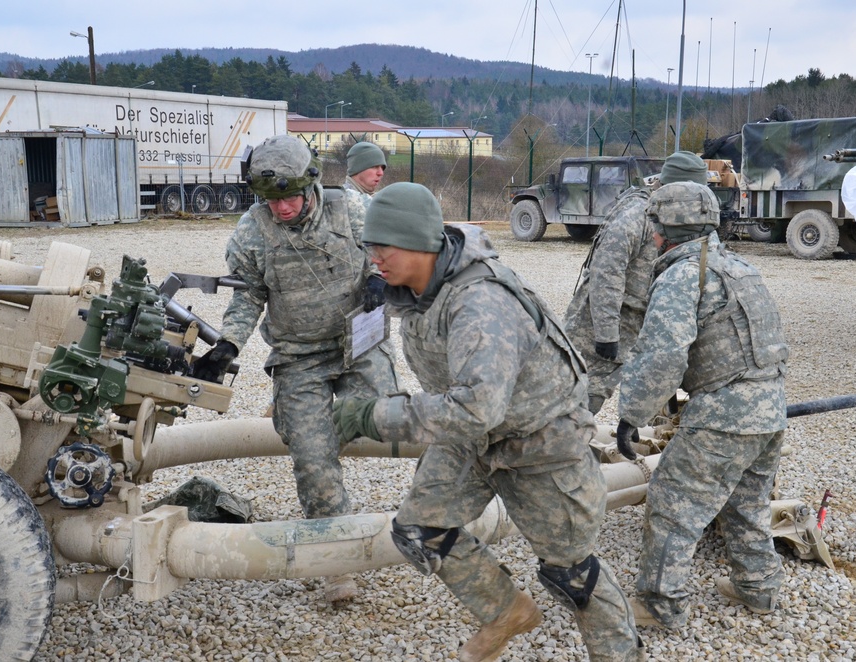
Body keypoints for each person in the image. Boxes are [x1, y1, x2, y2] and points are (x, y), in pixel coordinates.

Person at [332, 182, 645, 662]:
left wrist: (374, 417)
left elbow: (476, 407)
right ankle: (506, 612)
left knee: (572, 574)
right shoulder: (417, 287)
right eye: (369, 246)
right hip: (474, 439)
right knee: (421, 529)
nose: (374, 257)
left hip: (541, 442)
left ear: (420, 242)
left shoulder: (480, 303)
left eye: (383, 246)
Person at [191, 134, 398, 605]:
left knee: (389, 418)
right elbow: (247, 296)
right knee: (312, 459)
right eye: (270, 199)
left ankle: (299, 418)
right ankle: (338, 568)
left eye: (288, 197)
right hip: (299, 356)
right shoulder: (251, 232)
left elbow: (382, 252)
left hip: (357, 344)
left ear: (309, 185)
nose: (281, 208)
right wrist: (227, 346)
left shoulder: (350, 210)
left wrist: (375, 278)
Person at [614, 178, 789, 629]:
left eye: (654, 225)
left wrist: (631, 414)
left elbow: (662, 356)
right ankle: (759, 589)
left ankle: (659, 604)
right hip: (769, 409)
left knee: (673, 503)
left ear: (664, 230)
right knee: (745, 501)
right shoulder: (739, 267)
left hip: (723, 415)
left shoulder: (681, 276)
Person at [563, 150, 710, 415]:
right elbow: (606, 270)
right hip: (607, 320)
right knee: (583, 391)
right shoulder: (638, 214)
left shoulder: (673, 215)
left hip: (638, 319)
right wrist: (606, 333)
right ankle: (558, 447)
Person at [343, 141, 387, 237]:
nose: (381, 173)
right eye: (375, 166)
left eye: (382, 168)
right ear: (358, 168)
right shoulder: (343, 201)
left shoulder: (377, 199)